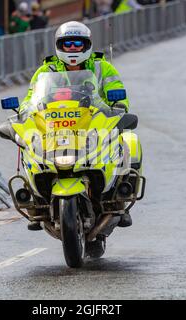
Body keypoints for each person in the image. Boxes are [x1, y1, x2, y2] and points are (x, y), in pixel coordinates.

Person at [21, 21, 131, 229]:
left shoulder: (102, 66)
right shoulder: (47, 69)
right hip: (57, 127)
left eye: (77, 44)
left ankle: (120, 201)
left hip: (93, 123)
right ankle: (35, 203)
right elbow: (31, 97)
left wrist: (118, 107)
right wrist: (24, 111)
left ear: (86, 44)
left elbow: (117, 91)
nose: (72, 48)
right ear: (59, 45)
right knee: (29, 146)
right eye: (68, 43)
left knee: (125, 142)